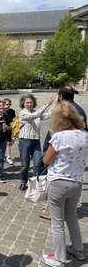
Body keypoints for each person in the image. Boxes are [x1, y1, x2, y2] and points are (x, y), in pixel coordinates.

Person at [41, 102, 88, 267]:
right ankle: (78, 249)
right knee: (72, 216)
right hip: (76, 182)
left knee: (57, 221)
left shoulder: (59, 137)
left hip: (59, 182)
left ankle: (59, 258)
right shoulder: (85, 135)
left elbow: (46, 160)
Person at [40, 85, 88, 220]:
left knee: (56, 184)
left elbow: (49, 157)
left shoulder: (63, 110)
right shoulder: (80, 110)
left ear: (61, 96)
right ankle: (64, 211)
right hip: (75, 165)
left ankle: (54, 211)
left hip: (60, 155)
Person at [18, 94, 56, 191]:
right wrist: (46, 104)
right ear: (23, 103)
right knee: (24, 164)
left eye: (31, 102)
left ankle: (35, 184)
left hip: (36, 142)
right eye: (27, 102)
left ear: (34, 103)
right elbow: (33, 116)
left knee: (37, 163)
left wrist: (55, 103)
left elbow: (48, 114)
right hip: (25, 141)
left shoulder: (37, 113)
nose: (29, 104)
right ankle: (23, 182)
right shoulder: (22, 113)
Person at [3, 98, 15, 165]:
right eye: (7, 104)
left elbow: (13, 120)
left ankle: (8, 156)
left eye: (10, 104)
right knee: (2, 143)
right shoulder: (1, 111)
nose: (8, 106)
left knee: (9, 143)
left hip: (9, 129)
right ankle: (2, 156)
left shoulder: (12, 111)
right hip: (1, 130)